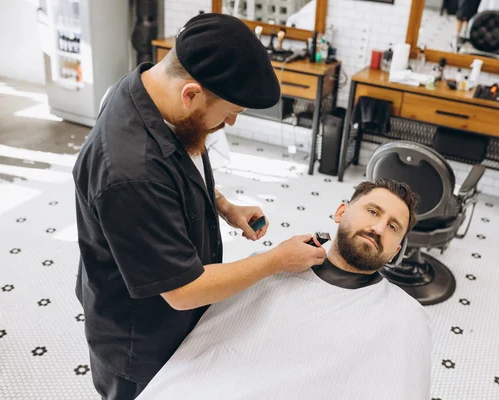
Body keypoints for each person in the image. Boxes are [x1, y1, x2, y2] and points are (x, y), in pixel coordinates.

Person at [72, 13, 326, 400]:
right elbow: (183, 291)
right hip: (139, 341)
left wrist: (222, 205)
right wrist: (276, 260)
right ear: (190, 94)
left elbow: (178, 169)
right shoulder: (130, 170)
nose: (231, 123)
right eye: (229, 114)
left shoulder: (151, 93)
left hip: (165, 307)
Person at [136, 179, 433, 400]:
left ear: (395, 252)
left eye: (394, 227)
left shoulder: (406, 317)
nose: (379, 228)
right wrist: (272, 262)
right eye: (372, 211)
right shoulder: (268, 267)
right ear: (341, 212)